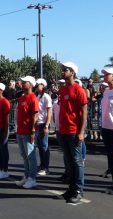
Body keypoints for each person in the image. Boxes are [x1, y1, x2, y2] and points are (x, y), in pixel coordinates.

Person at [58, 61, 88, 203]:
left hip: (73, 131)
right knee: (69, 162)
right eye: (63, 69)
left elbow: (84, 112)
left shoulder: (79, 90)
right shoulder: (63, 90)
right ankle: (71, 189)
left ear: (72, 72)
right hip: (63, 131)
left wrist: (81, 132)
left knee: (77, 162)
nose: (63, 72)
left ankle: (78, 190)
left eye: (65, 70)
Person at [15, 76, 39, 189]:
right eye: (22, 82)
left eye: (25, 82)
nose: (22, 83)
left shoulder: (33, 98)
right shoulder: (22, 98)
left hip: (28, 132)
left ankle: (32, 178)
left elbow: (35, 115)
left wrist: (33, 131)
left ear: (31, 84)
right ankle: (26, 175)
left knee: (30, 156)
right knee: (24, 155)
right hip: (20, 131)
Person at [35, 78, 52, 176]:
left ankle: (46, 167)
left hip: (43, 124)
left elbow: (49, 112)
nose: (37, 86)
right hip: (37, 124)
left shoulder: (46, 97)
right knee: (40, 146)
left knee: (44, 146)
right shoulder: (37, 96)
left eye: (38, 85)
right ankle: (42, 166)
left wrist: (46, 125)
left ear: (43, 85)